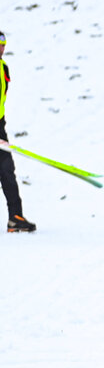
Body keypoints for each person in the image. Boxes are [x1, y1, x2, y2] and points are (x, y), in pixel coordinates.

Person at [0, 31, 35, 233]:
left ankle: (15, 217)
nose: (2, 48)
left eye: (4, 44)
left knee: (7, 171)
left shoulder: (3, 67)